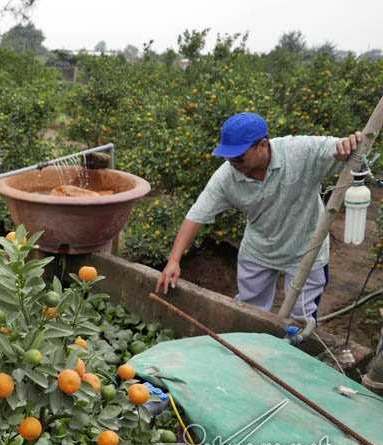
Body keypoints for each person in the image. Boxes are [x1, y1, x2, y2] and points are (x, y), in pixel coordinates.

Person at [155, 112, 362, 319]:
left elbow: (343, 150)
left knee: (300, 319)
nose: (232, 162)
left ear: (262, 145)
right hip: (259, 250)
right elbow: (197, 215)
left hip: (305, 250)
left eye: (238, 157)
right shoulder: (227, 177)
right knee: (248, 312)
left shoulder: (299, 151)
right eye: (227, 156)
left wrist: (348, 146)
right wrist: (174, 260)